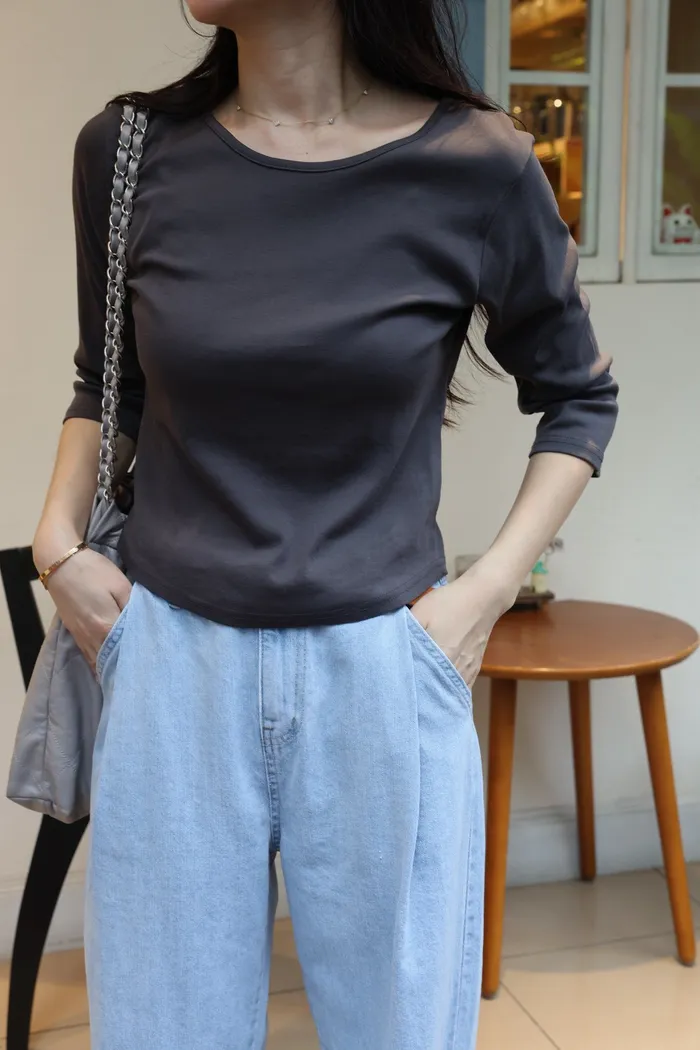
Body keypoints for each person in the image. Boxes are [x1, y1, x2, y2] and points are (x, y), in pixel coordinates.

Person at [32, 0, 619, 1047]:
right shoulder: (126, 152)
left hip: (382, 671)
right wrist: (57, 543)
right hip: (175, 668)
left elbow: (578, 397)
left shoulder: (476, 163)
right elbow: (106, 384)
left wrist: (481, 600)